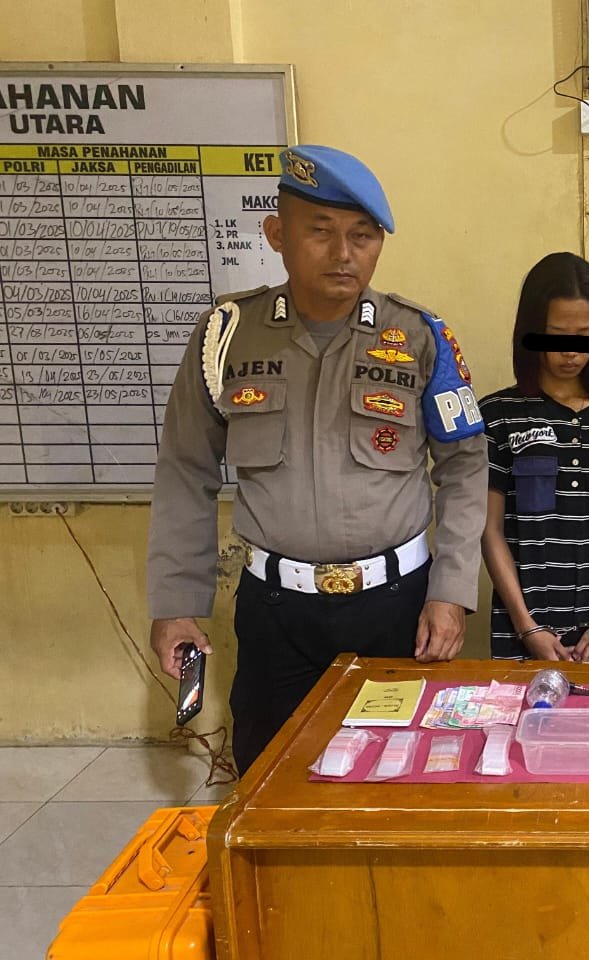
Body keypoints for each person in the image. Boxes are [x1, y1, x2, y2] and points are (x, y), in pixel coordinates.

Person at [147, 145, 488, 773]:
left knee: (396, 777)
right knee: (269, 777)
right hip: (276, 612)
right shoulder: (227, 334)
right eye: (321, 231)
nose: (343, 253)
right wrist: (176, 605)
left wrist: (450, 591)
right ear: (277, 234)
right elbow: (185, 472)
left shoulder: (420, 337)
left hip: (396, 608)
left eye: (363, 235)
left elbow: (465, 467)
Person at [480, 253, 589, 662]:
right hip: (522, 632)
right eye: (557, 335)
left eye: (584, 336)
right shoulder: (498, 416)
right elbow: (489, 529)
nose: (571, 353)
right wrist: (527, 627)